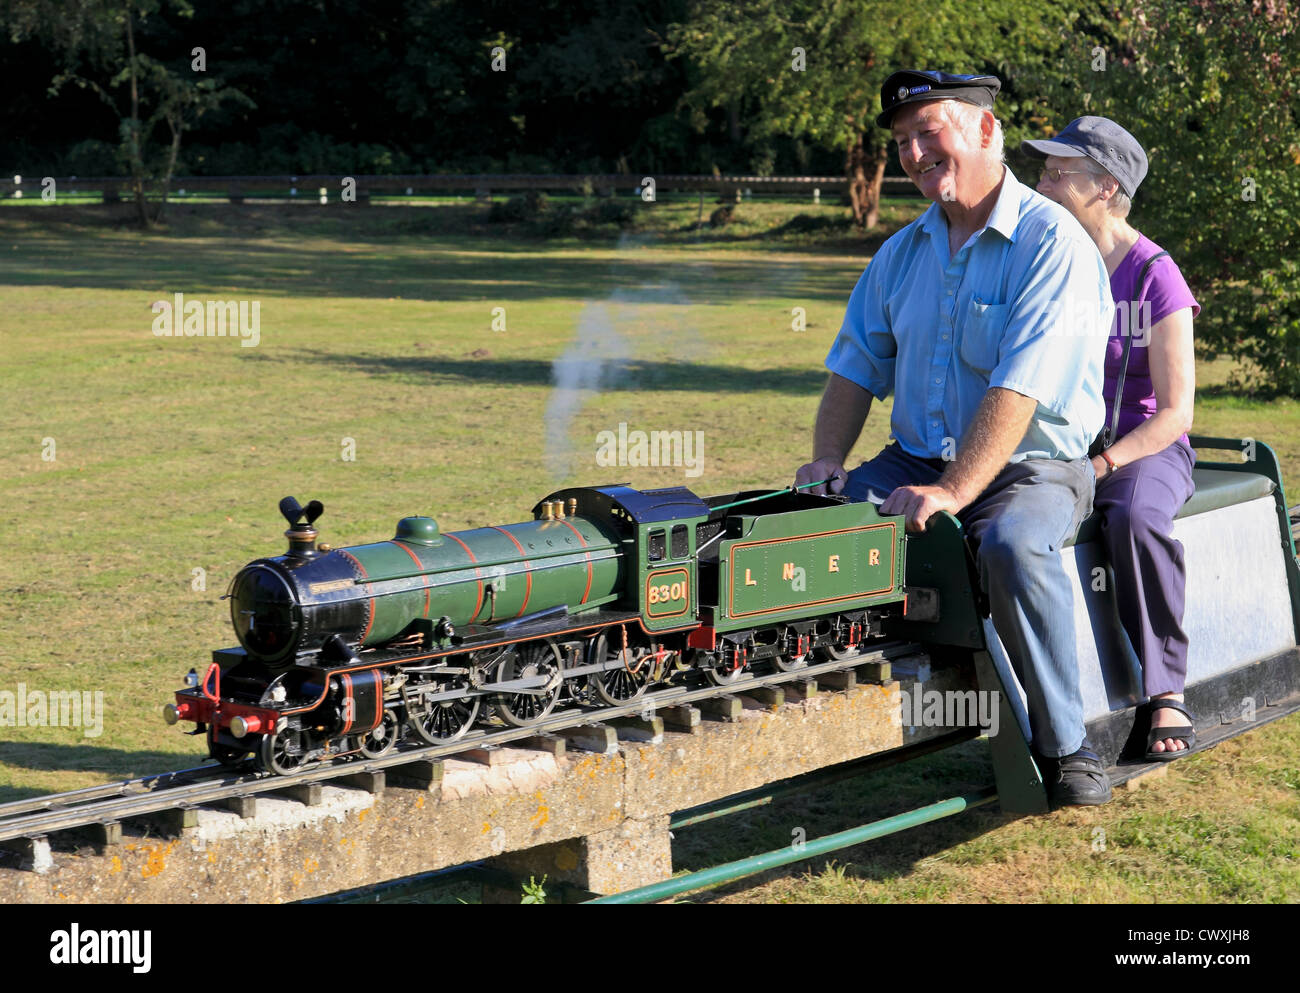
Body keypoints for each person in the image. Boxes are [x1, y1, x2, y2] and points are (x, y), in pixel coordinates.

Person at [795, 69, 1115, 806]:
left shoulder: (1051, 242)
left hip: (1036, 468)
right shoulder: (902, 253)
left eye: (927, 131)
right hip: (915, 458)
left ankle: (1066, 744)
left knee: (1011, 546)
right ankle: (832, 718)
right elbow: (853, 367)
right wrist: (826, 463)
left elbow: (1019, 389)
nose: (912, 152)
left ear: (983, 129)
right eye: (902, 141)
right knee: (810, 528)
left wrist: (953, 492)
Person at [1023, 117, 1200, 761]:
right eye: (1042, 171)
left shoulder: (1157, 276)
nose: (1039, 183)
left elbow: (1177, 412)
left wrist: (1104, 464)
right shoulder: (1047, 262)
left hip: (1143, 450)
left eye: (1055, 173)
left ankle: (1165, 691)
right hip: (1059, 443)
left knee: (1132, 515)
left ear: (1105, 187)